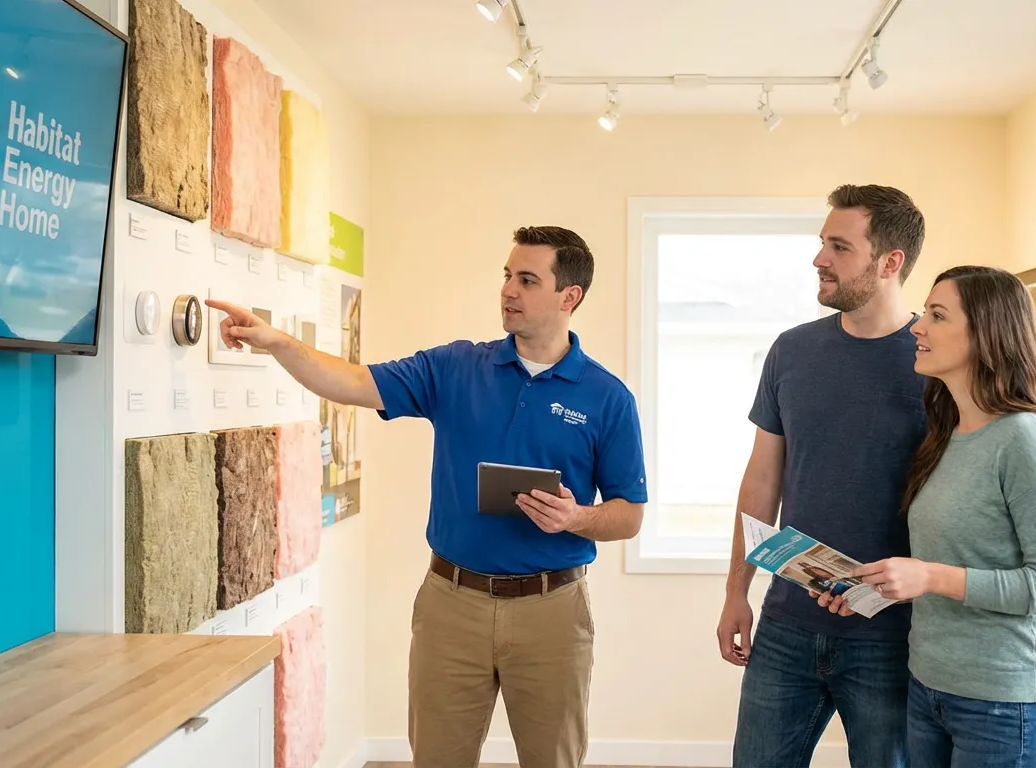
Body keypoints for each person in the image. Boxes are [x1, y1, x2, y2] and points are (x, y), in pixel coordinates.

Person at [207, 226, 648, 768]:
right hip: (451, 605)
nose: (509, 290)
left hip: (552, 611)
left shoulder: (609, 398)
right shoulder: (457, 367)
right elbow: (351, 381)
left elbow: (629, 515)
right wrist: (276, 341)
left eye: (527, 280)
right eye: (507, 276)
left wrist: (577, 517)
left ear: (569, 297)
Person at [825, 265, 1036, 768]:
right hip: (928, 687)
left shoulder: (1026, 439)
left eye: (937, 316)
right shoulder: (946, 434)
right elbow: (949, 561)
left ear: (988, 334)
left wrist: (929, 577)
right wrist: (877, 586)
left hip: (1004, 703)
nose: (918, 326)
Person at [718, 184, 929, 768]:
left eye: (839, 246)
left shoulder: (932, 363)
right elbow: (761, 480)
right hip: (787, 625)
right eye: (821, 244)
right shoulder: (791, 352)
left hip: (891, 637)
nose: (819, 259)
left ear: (890, 263)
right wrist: (737, 591)